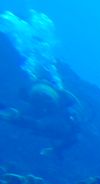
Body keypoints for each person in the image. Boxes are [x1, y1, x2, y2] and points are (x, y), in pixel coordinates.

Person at [0, 10, 82, 156]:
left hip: (40, 93)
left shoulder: (65, 116)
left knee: (26, 111)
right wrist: (55, 150)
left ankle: (9, 110)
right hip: (45, 98)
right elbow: (43, 126)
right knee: (32, 120)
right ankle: (11, 113)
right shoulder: (64, 124)